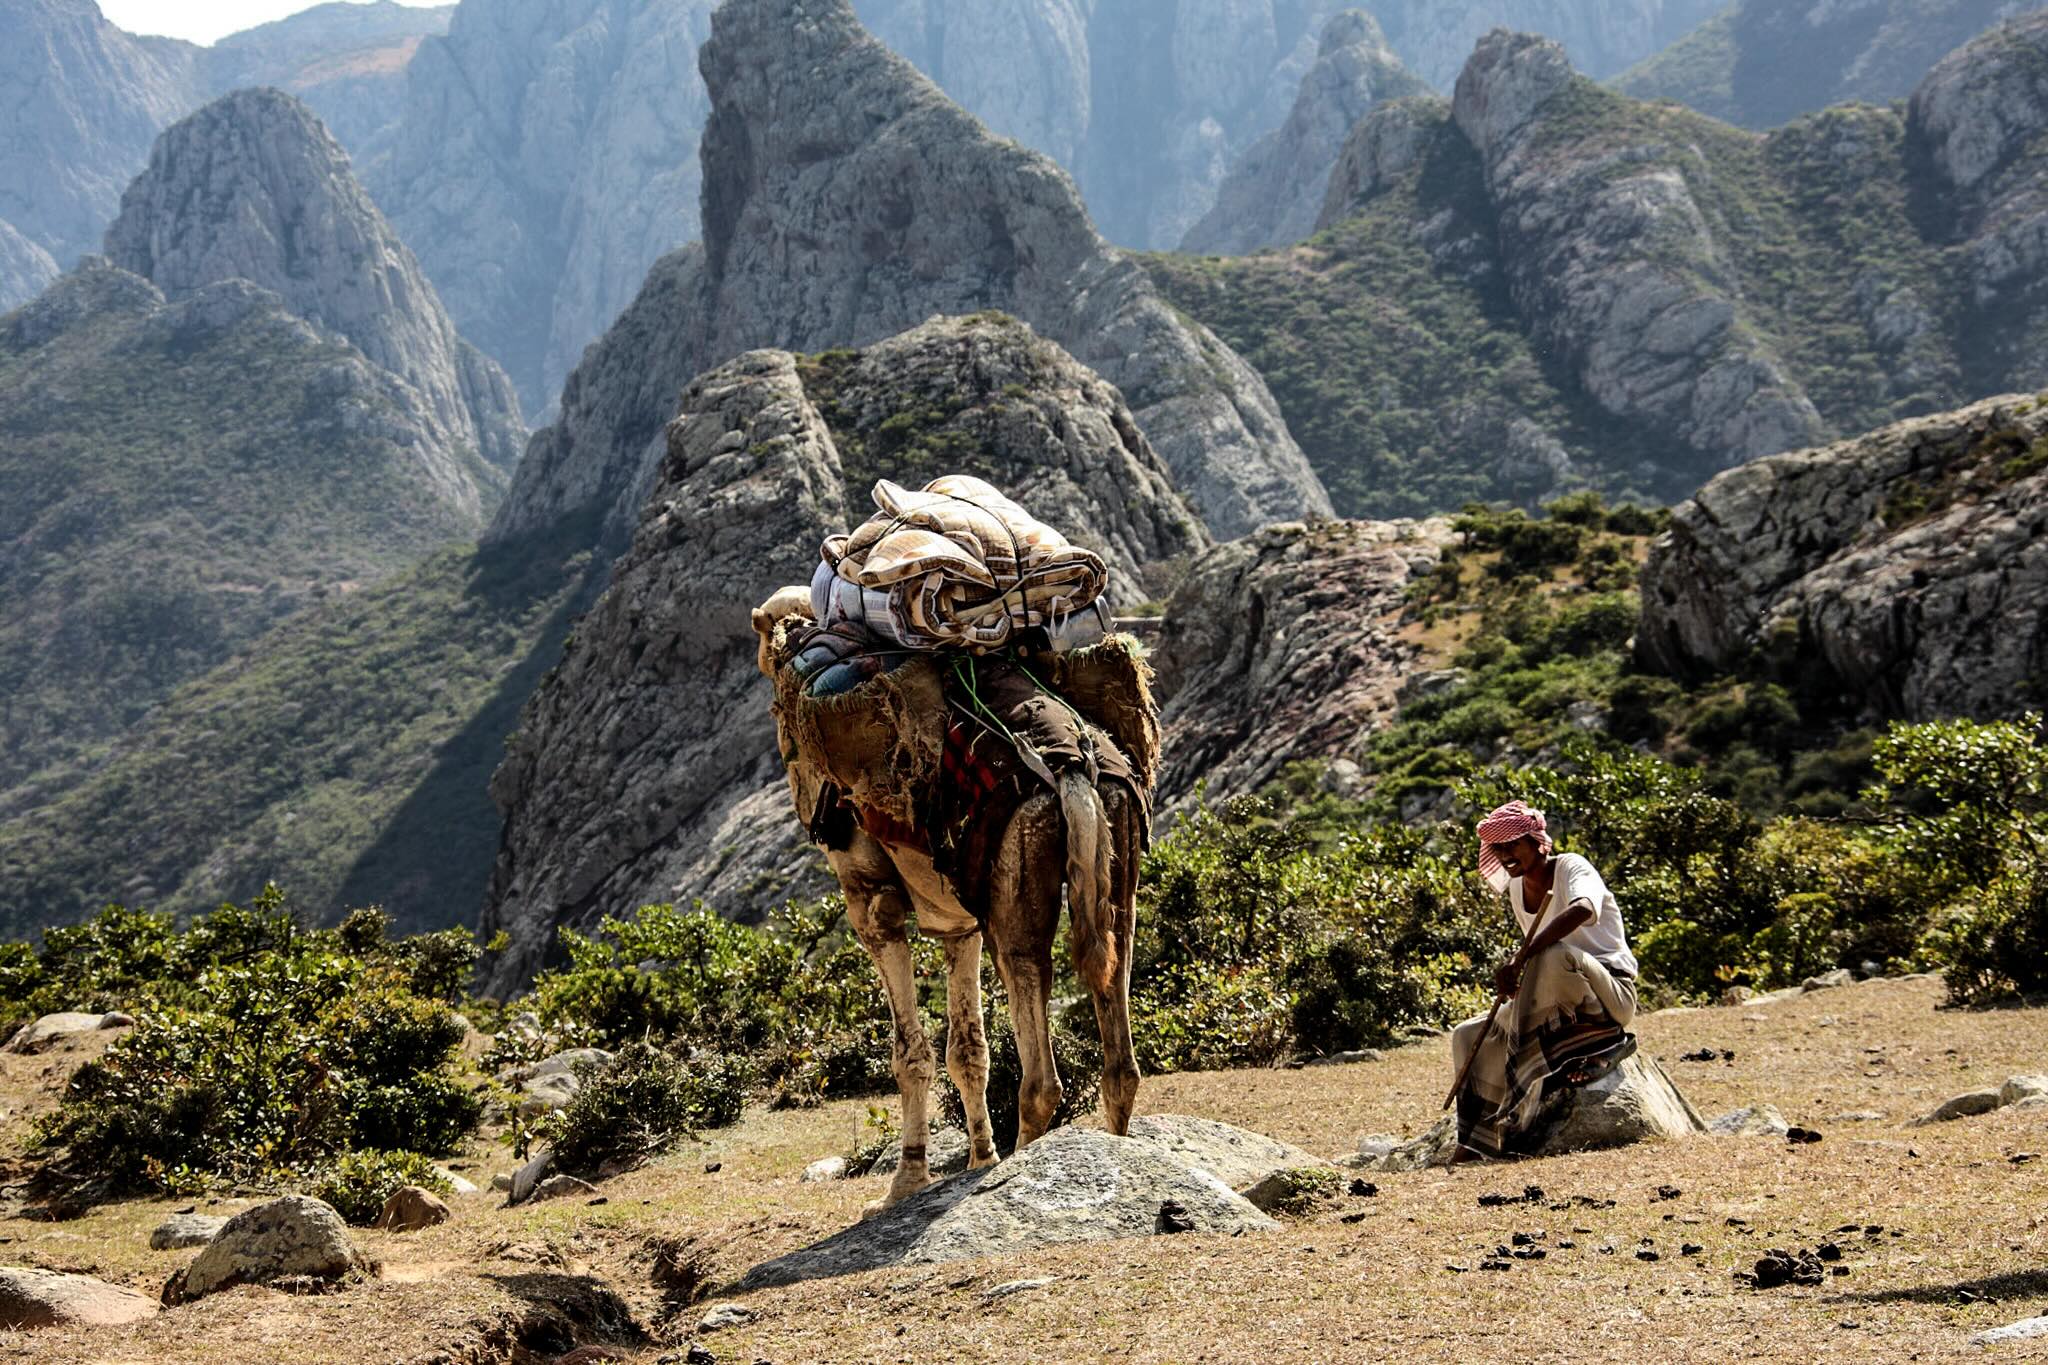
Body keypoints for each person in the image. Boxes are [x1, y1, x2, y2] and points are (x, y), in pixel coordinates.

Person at [1448, 801, 1639, 1163]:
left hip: (1610, 994)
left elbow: (1582, 910)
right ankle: (1478, 1139)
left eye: (1512, 845)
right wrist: (1518, 983)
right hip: (1561, 996)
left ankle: (1597, 1044)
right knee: (1468, 1035)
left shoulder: (1571, 867)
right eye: (1498, 848)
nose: (1505, 855)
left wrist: (1520, 960)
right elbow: (1538, 966)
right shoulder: (1518, 889)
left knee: (1554, 954)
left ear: (1537, 842)